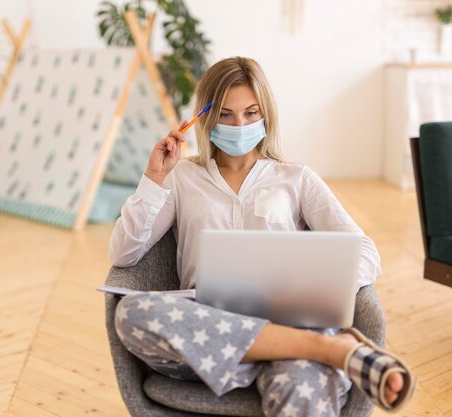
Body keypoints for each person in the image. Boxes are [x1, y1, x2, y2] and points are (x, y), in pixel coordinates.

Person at [109, 57, 416, 416]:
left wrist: (320, 286)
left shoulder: (296, 178)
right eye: (225, 115)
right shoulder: (182, 178)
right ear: (205, 118)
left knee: (305, 385)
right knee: (131, 312)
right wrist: (154, 177)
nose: (239, 124)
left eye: (251, 113)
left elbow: (364, 249)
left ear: (266, 115)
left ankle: (309, 346)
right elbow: (124, 254)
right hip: (210, 335)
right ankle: (325, 348)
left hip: (288, 320)